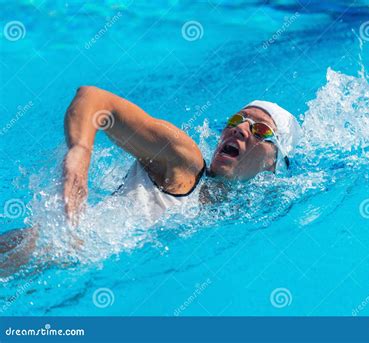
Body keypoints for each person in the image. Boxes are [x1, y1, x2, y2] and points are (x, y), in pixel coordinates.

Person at [0, 86, 301, 276]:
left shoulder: (236, 218)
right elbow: (95, 98)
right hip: (25, 255)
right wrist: (79, 152)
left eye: (260, 130)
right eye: (237, 121)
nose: (240, 129)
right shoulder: (184, 163)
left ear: (272, 163)